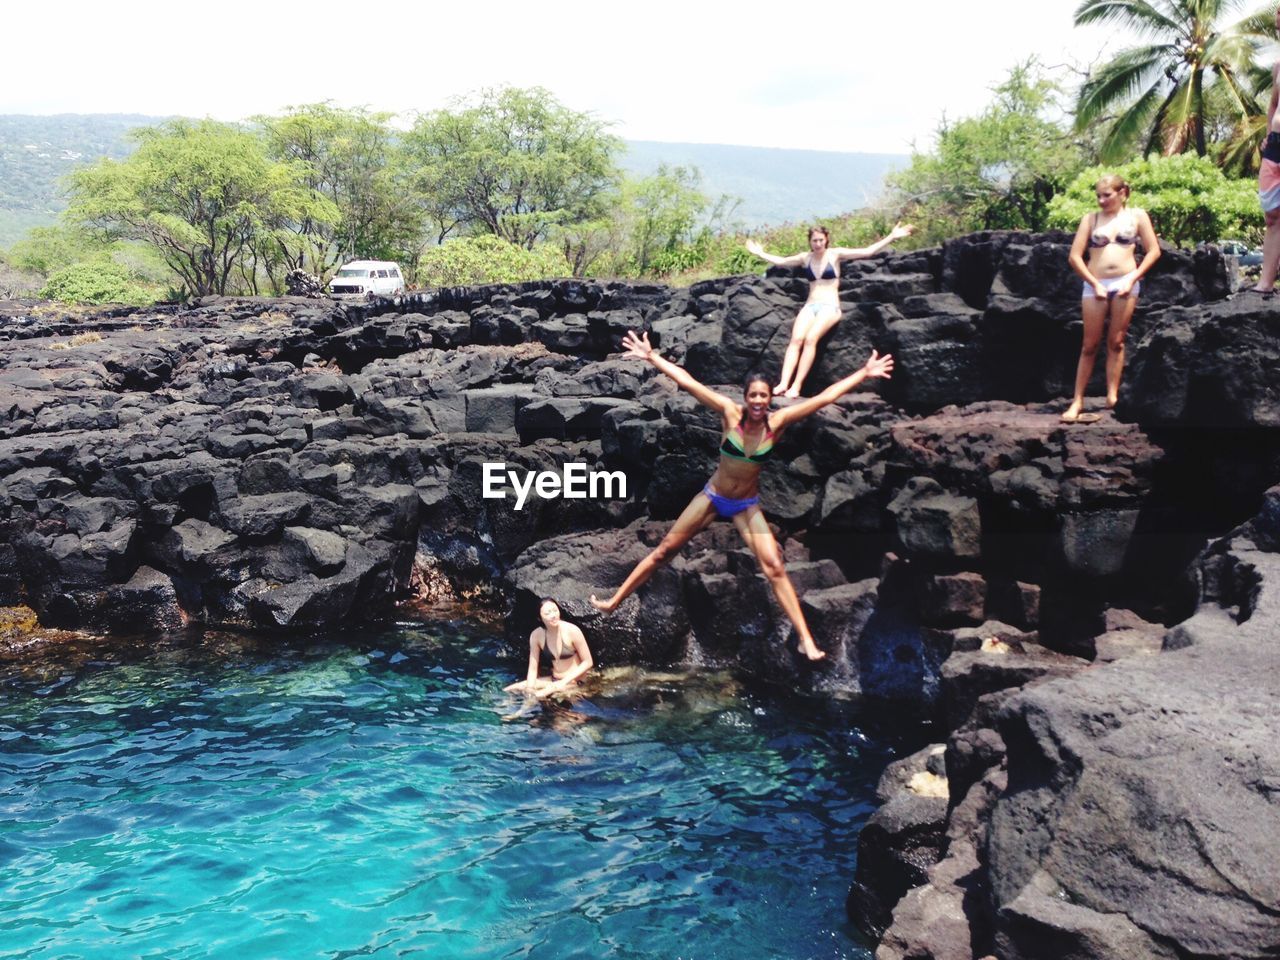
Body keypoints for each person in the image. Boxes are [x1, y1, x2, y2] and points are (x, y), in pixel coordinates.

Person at [589, 329, 894, 661]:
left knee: (775, 566)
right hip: (713, 495)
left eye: (764, 396)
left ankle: (805, 638)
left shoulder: (778, 422)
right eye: (754, 396)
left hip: (745, 505)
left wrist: (864, 373)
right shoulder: (729, 413)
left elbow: (824, 398)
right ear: (745, 397)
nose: (759, 402)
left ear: (770, 397)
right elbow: (690, 383)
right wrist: (652, 357)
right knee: (664, 551)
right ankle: (614, 601)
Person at [745, 222, 912, 398]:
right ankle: (783, 384)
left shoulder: (835, 254)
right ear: (810, 241)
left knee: (810, 339)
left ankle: (796, 386)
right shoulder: (805, 258)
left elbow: (867, 251)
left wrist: (892, 236)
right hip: (810, 306)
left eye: (821, 240)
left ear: (827, 240)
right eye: (814, 240)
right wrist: (759, 253)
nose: (818, 244)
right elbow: (781, 262)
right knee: (796, 340)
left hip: (830, 307)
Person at [1063, 175, 1160, 423]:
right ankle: (1077, 400)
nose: (1102, 200)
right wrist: (1094, 283)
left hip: (1126, 282)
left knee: (1117, 341)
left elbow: (1153, 251)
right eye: (1098, 195)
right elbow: (1075, 257)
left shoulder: (1138, 216)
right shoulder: (1091, 219)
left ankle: (1112, 395)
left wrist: (1132, 278)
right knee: (1089, 344)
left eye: (1107, 195)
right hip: (1095, 284)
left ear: (1123, 192)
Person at [504, 599, 593, 698]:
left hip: (574, 681)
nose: (553, 615)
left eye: (555, 610)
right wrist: (529, 689)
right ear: (540, 618)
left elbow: (588, 662)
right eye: (547, 613)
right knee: (512, 688)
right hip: (554, 680)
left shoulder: (573, 631)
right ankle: (507, 711)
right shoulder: (536, 635)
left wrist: (562, 682)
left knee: (539, 694)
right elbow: (533, 669)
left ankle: (520, 712)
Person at [1253, 6, 1280, 294]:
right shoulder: (1278, 66)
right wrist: (1268, 134)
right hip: (1275, 146)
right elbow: (1274, 103)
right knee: (1272, 215)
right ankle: (1265, 282)